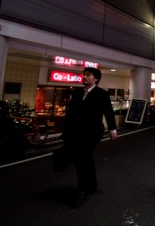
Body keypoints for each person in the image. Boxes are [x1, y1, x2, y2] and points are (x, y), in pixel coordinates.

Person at [61, 67, 118, 208]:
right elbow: (70, 113)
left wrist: (113, 129)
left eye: (88, 75)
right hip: (76, 132)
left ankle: (81, 190)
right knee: (86, 158)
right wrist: (66, 132)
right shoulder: (77, 92)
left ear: (96, 79)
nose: (84, 77)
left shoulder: (102, 94)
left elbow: (108, 112)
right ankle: (91, 185)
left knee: (82, 158)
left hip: (92, 132)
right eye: (84, 75)